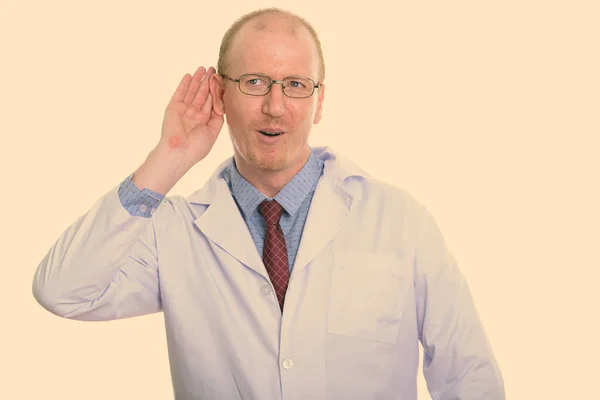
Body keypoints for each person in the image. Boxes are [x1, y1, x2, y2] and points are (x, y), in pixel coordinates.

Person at [32, 7, 505, 400]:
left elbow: (470, 378)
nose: (276, 106)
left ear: (320, 102)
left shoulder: (401, 222)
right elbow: (63, 291)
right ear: (221, 92)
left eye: (296, 85)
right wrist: (169, 159)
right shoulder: (172, 232)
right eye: (255, 82)